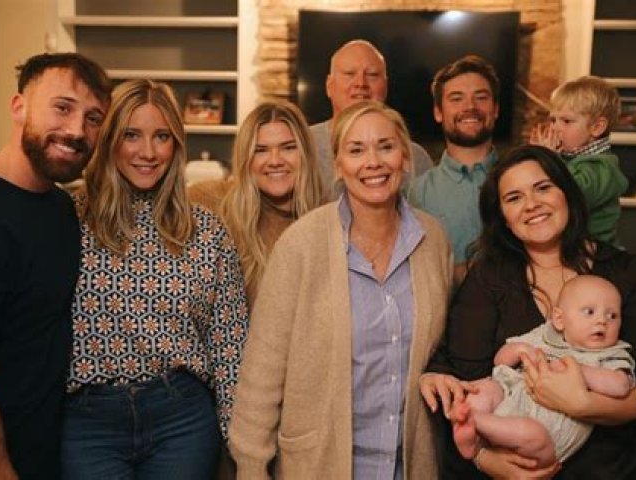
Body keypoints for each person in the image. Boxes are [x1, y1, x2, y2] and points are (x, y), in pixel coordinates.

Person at [420, 145, 636, 479]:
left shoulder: (631, 274)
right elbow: (463, 375)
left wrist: (585, 405)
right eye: (514, 197)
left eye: (543, 188)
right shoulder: (488, 280)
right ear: (504, 218)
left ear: (566, 194)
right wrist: (484, 458)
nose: (532, 204)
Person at [229, 101, 453, 479]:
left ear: (405, 156)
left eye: (385, 146)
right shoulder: (301, 244)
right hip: (320, 465)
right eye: (356, 150)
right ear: (337, 165)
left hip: (408, 466)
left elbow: (442, 351)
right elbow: (262, 371)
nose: (373, 162)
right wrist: (251, 465)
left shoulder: (433, 240)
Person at [61, 79, 249, 479]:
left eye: (161, 136)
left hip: (181, 422)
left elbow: (230, 346)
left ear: (176, 145)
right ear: (110, 140)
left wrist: (241, 449)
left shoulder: (207, 231)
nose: (147, 152)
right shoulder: (68, 220)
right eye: (132, 135)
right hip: (87, 424)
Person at [0, 52, 111, 480]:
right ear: (19, 107)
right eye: (62, 107)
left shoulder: (61, 206)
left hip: (44, 453)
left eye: (93, 118)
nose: (77, 130)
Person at [450, 275, 635, 470]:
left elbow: (621, 386)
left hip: (545, 437)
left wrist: (581, 372)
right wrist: (519, 350)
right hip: (509, 399)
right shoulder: (544, 335)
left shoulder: (610, 354)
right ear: (559, 319)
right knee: (484, 389)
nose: (602, 321)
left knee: (531, 432)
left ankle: (472, 421)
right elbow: (500, 361)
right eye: (589, 312)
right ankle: (472, 436)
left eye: (612, 315)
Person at [189, 100, 325, 305]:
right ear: (246, 158)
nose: (275, 160)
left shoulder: (327, 221)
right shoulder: (208, 200)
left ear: (305, 154)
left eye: (288, 148)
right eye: (260, 150)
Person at [407, 55, 501, 282]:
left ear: (496, 109)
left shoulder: (524, 181)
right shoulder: (414, 193)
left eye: (481, 97)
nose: (470, 107)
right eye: (456, 98)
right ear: (438, 112)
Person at [310, 39, 434, 198]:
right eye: (349, 74)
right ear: (329, 85)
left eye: (372, 75)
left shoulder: (416, 156)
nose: (361, 83)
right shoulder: (302, 145)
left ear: (386, 86)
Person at [530, 75, 628, 245]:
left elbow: (571, 194)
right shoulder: (567, 157)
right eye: (553, 120)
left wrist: (549, 159)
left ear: (597, 127)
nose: (555, 128)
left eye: (566, 121)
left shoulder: (602, 167)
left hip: (598, 252)